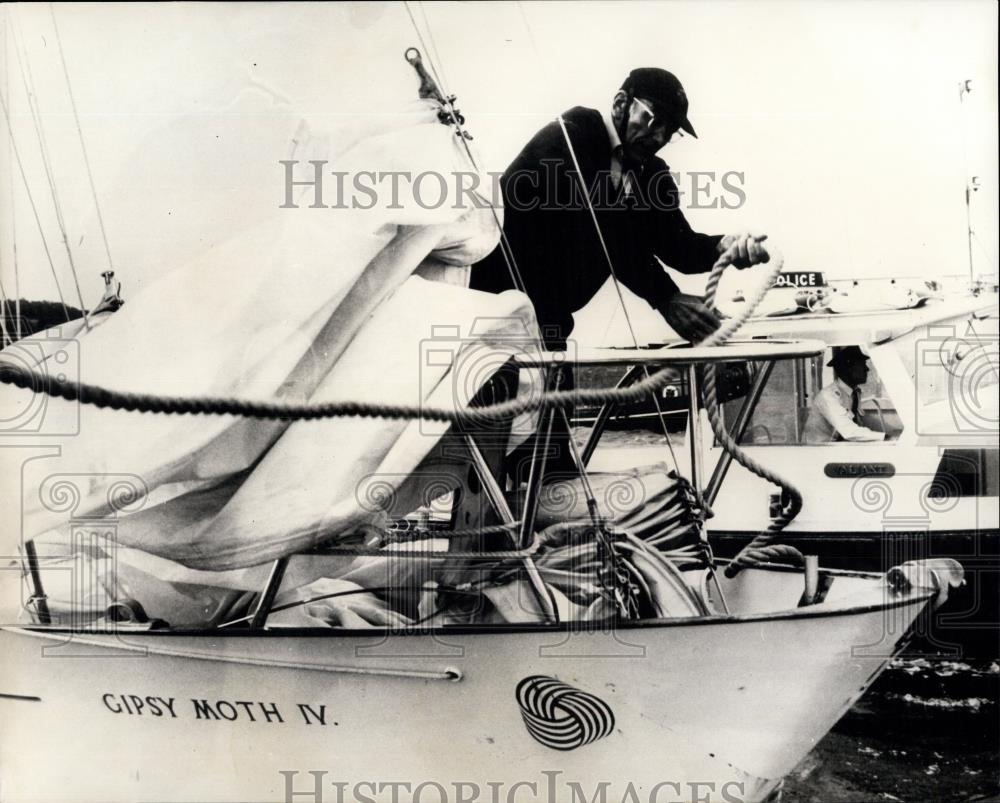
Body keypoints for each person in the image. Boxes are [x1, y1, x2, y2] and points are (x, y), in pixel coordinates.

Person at [470, 67, 770, 349]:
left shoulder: (651, 172)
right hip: (489, 318)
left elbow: (677, 245)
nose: (660, 138)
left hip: (548, 327)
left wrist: (724, 247)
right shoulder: (571, 133)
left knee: (550, 403)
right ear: (620, 103)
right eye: (654, 121)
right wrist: (665, 296)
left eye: (670, 131)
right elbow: (597, 226)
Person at [803, 346, 885, 443]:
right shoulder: (828, 396)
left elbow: (854, 425)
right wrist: (885, 437)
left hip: (840, 447)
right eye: (862, 364)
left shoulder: (854, 393)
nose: (867, 369)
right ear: (848, 369)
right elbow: (849, 432)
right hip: (820, 451)